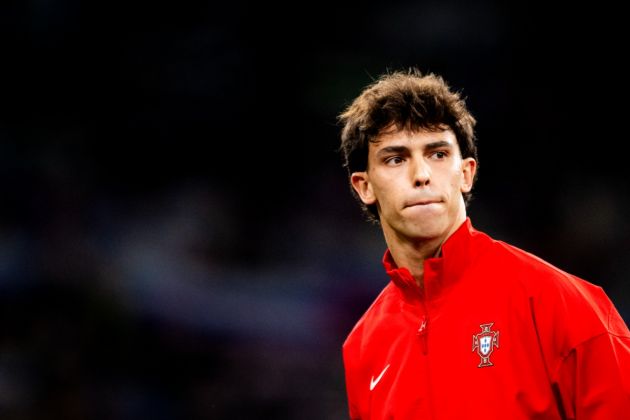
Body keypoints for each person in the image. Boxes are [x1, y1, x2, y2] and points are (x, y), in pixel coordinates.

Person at [337, 69, 630, 419]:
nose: (421, 175)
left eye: (438, 154)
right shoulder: (362, 346)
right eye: (396, 159)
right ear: (363, 186)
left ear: (467, 173)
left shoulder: (562, 305)